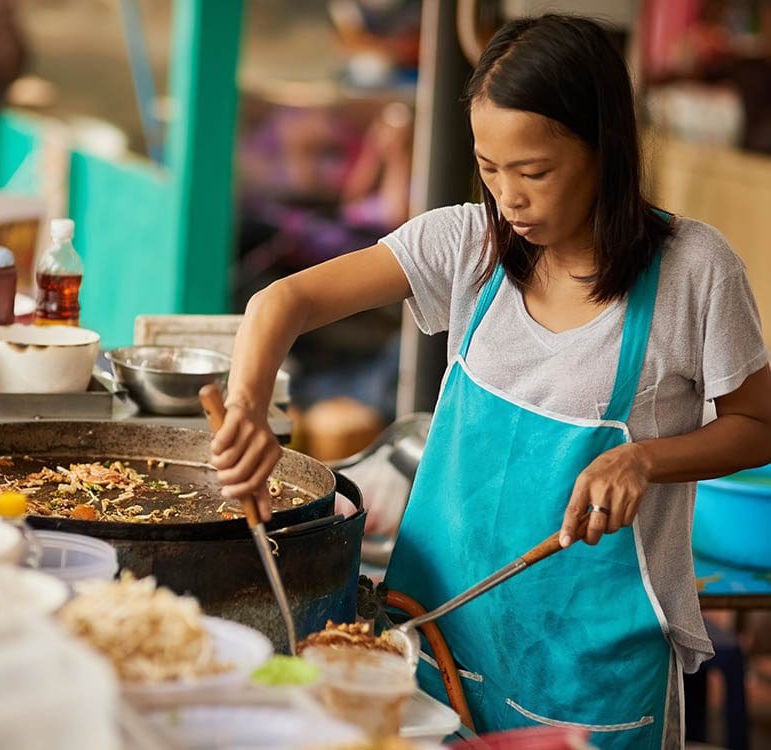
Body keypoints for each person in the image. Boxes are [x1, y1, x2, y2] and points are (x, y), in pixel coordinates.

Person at [208, 14, 771, 749]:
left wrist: (645, 458)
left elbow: (758, 424)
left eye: (534, 172)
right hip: (437, 637)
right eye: (490, 168)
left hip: (590, 675)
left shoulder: (696, 272)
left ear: (606, 148)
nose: (509, 198)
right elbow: (280, 301)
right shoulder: (465, 246)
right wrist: (249, 408)